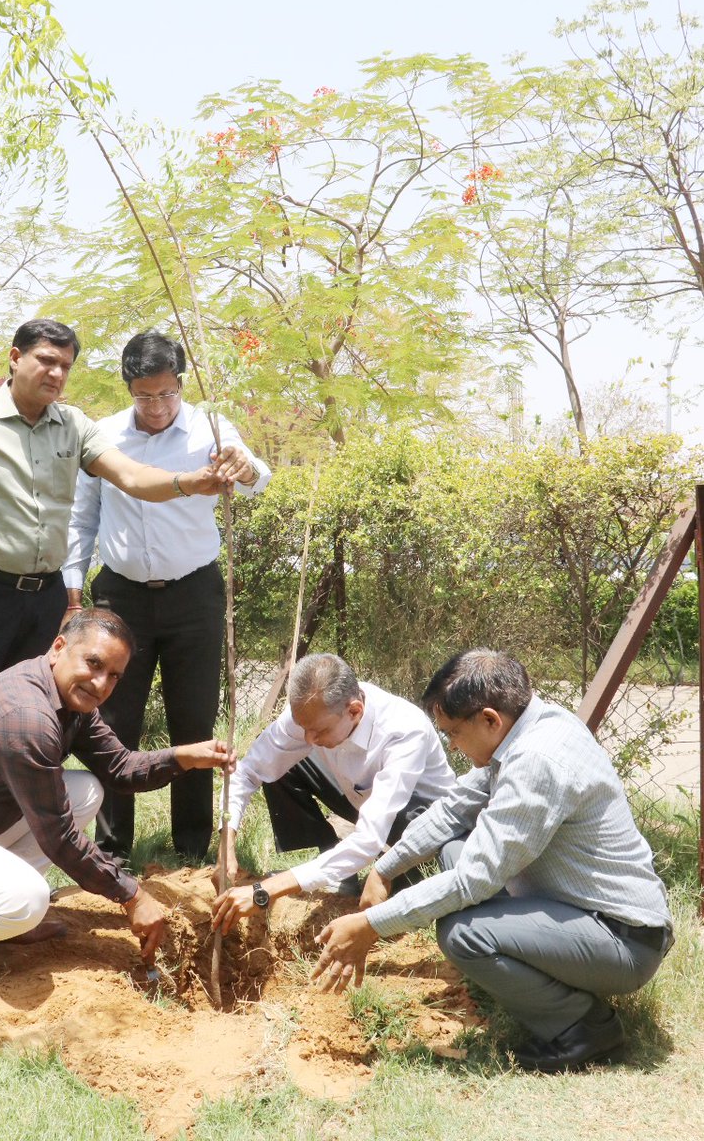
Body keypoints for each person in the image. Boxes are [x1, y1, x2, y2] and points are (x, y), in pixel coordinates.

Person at [311, 649, 674, 1073]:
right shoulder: (530, 727)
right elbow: (452, 809)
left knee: (463, 933)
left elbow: (471, 883)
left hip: (620, 939)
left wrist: (371, 924)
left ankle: (583, 1027)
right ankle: (518, 976)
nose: (451, 745)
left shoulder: (537, 762)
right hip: (580, 912)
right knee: (453, 847)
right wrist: (385, 868)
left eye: (452, 733)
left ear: (489, 720)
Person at [0, 609, 236, 974]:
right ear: (59, 647)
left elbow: (120, 769)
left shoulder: (64, 696)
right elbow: (58, 837)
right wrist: (132, 896)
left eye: (114, 676)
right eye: (93, 663)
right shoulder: (28, 714)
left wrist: (184, 757)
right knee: (28, 899)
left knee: (85, 791)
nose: (102, 684)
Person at [0, 318, 242, 717]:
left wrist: (190, 481)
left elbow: (132, 476)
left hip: (44, 602)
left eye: (66, 366)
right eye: (47, 361)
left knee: (36, 719)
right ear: (15, 358)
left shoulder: (75, 427)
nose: (56, 374)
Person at [63, 329, 271, 863]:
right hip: (119, 598)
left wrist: (244, 469)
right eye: (144, 395)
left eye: (166, 393)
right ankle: (112, 845)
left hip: (194, 593)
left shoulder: (210, 428)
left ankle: (194, 846)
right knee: (111, 720)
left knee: (194, 716)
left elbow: (256, 478)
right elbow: (82, 518)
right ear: (128, 389)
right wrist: (72, 590)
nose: (156, 406)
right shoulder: (103, 436)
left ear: (180, 383)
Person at [210, 653, 456, 932]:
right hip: (361, 798)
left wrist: (264, 891)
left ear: (354, 711)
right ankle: (333, 857)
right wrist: (226, 842)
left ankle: (403, 873)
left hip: (418, 824)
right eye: (303, 728)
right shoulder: (313, 713)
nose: (308, 739)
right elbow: (246, 772)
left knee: (395, 907)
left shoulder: (403, 731)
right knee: (282, 765)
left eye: (318, 731)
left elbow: (368, 839)